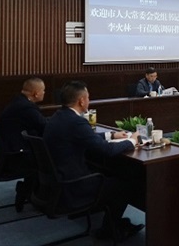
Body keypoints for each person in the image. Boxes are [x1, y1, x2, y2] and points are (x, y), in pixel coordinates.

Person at [43, 81, 143, 241]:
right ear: (81, 101)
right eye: (88, 97)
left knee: (109, 172)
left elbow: (85, 136)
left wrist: (111, 135)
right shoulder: (76, 122)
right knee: (124, 185)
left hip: (60, 178)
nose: (89, 101)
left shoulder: (58, 116)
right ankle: (109, 231)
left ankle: (114, 224)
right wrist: (131, 141)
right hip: (75, 184)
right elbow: (107, 150)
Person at [0, 77, 48, 211]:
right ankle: (40, 194)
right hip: (18, 156)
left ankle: (34, 190)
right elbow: (45, 126)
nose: (44, 93)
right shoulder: (26, 107)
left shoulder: (18, 101)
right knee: (51, 156)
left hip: (9, 152)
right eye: (43, 90)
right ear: (36, 93)